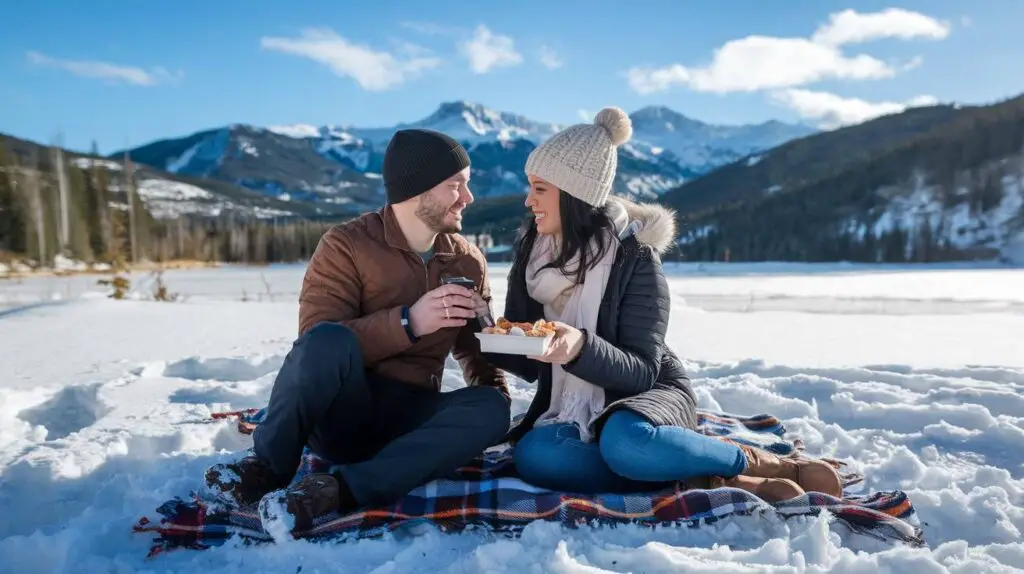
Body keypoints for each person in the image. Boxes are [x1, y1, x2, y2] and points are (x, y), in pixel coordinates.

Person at [484, 107, 843, 502]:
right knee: (538, 457)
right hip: (571, 405)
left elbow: (641, 370)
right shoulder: (532, 258)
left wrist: (580, 348)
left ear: (573, 193)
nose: (527, 200)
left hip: (650, 393)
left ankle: (764, 464)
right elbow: (529, 364)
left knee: (623, 442)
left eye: (539, 188)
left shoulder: (634, 259)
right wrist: (480, 321)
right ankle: (695, 477)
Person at [205, 128, 512, 531]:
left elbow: (477, 356)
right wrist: (410, 322)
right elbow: (316, 345)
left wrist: (497, 391)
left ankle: (337, 491)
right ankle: (265, 469)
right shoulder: (346, 244)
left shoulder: (468, 261)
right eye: (456, 186)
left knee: (490, 407)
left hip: (411, 419)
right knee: (328, 340)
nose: (468, 198)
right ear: (417, 190)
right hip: (342, 414)